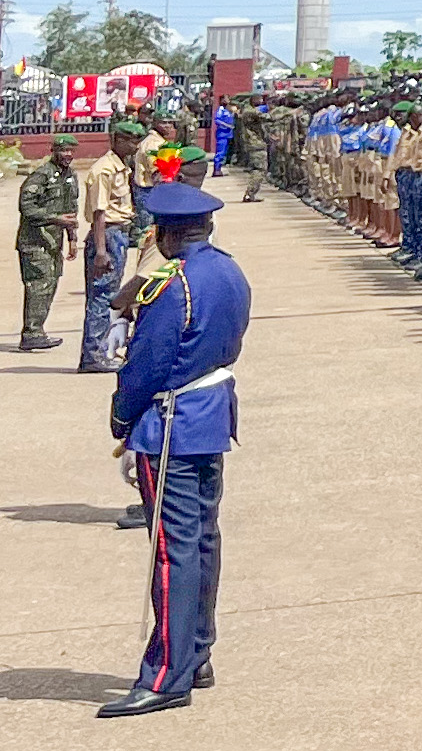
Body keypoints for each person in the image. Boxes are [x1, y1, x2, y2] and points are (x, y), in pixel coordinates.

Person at [99, 182, 252, 718]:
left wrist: (120, 415)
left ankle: (167, 673)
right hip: (209, 416)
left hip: (171, 425)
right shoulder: (229, 270)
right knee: (202, 540)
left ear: (165, 232)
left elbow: (146, 365)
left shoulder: (174, 287)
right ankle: (196, 651)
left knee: (172, 551)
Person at [80, 121, 146, 373]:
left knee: (109, 293)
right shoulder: (104, 170)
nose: (135, 146)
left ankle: (100, 351)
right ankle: (93, 356)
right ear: (116, 140)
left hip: (118, 234)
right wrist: (100, 251)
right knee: (101, 297)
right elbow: (99, 213)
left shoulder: (122, 167)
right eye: (130, 141)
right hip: (106, 236)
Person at [18, 133, 80, 352]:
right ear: (53, 151)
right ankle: (32, 333)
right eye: (64, 151)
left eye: (72, 151)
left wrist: (72, 239)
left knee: (50, 285)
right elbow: (27, 207)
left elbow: (71, 209)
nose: (68, 155)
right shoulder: (41, 175)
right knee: (38, 287)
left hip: (54, 242)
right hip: (34, 243)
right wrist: (55, 219)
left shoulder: (70, 175)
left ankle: (37, 330)